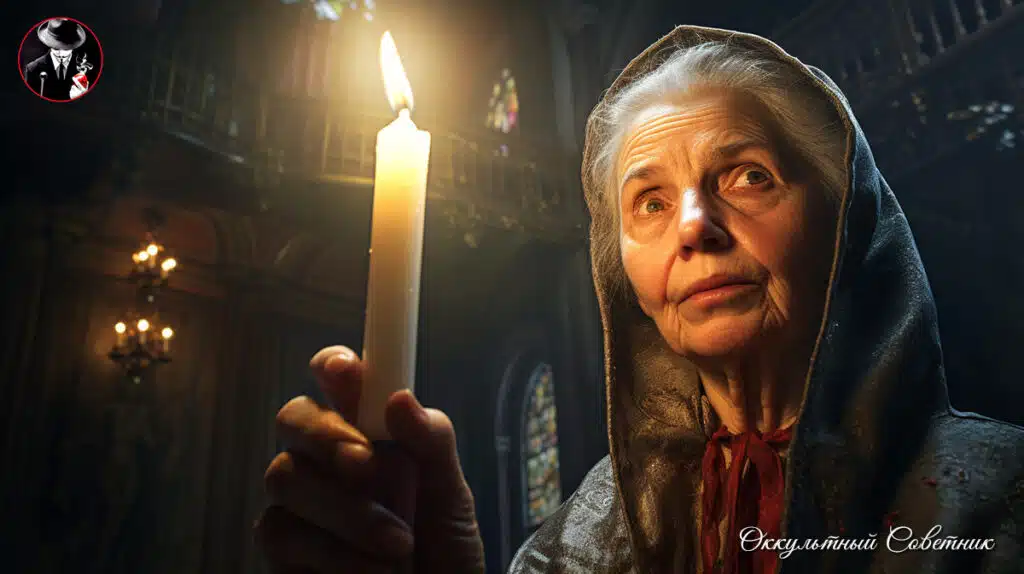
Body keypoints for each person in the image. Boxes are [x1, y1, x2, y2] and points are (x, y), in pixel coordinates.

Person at [255, 25, 1024, 573]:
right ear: (624, 274)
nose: (695, 227)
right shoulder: (572, 551)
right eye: (650, 203)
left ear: (847, 216)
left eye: (748, 175)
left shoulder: (997, 502)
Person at [23, 18, 88, 101]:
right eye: (56, 48)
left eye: (65, 48)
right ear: (49, 43)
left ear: (74, 45)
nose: (61, 53)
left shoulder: (84, 69)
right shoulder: (32, 68)